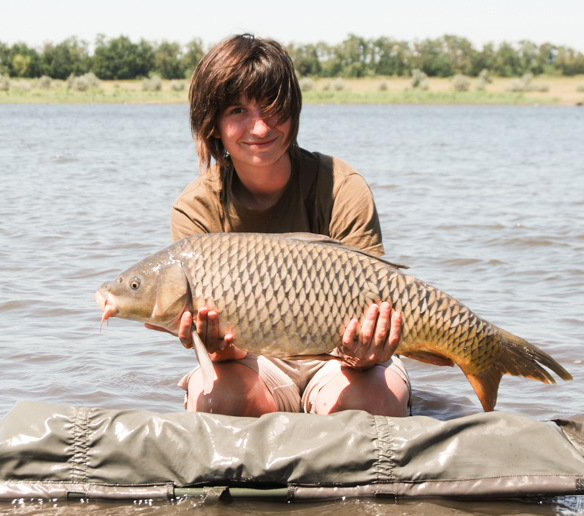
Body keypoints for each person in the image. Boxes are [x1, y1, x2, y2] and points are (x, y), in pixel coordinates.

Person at [151, 34, 410, 417]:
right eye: (238, 111)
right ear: (214, 125)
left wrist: (368, 350)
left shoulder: (340, 185)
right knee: (216, 403)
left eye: (273, 107)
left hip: (346, 360)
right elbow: (227, 355)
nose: (260, 128)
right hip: (254, 362)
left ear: (294, 111)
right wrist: (216, 344)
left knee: (367, 405)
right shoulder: (196, 207)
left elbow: (376, 310)